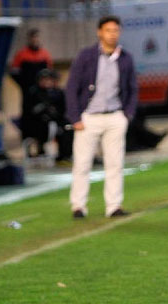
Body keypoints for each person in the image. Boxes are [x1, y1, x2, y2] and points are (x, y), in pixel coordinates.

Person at [65, 15, 137, 219]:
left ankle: (113, 206)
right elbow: (71, 87)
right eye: (108, 30)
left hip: (115, 116)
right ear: (99, 32)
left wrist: (127, 115)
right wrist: (74, 117)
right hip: (89, 117)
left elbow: (132, 88)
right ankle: (78, 206)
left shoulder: (125, 58)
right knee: (82, 163)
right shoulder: (86, 56)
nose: (112, 34)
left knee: (115, 163)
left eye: (115, 30)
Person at [10, 28, 53, 143]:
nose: (35, 40)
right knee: (27, 116)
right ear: (29, 39)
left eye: (37, 37)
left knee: (43, 115)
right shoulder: (22, 54)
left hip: (42, 93)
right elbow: (14, 72)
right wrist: (24, 85)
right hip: (28, 92)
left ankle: (42, 145)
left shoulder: (44, 54)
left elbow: (49, 72)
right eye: (33, 38)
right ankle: (26, 142)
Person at [27, 68, 72, 161]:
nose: (47, 82)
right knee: (41, 127)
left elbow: (63, 110)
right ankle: (40, 150)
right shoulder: (33, 92)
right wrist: (45, 108)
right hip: (40, 123)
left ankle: (64, 155)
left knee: (67, 127)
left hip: (56, 121)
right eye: (44, 79)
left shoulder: (58, 92)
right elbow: (31, 112)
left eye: (49, 79)